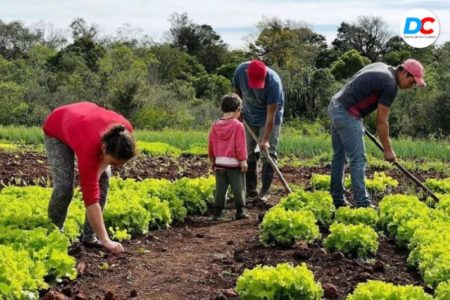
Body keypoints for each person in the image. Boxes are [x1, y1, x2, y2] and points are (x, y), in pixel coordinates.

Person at [328, 59, 426, 208]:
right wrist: (388, 150)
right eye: (412, 82)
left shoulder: (382, 66)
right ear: (404, 72)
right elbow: (381, 121)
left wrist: (356, 116)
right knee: (358, 160)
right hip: (347, 113)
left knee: (340, 157)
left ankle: (338, 199)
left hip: (336, 106)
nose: (411, 86)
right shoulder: (390, 85)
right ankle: (363, 203)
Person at [43, 101, 137, 255]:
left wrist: (101, 170)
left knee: (104, 178)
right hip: (56, 128)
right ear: (104, 148)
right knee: (64, 187)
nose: (116, 167)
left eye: (120, 164)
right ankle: (54, 233)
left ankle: (90, 236)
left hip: (81, 122)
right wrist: (107, 240)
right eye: (113, 162)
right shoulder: (89, 147)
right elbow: (91, 200)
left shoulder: (124, 133)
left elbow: (101, 171)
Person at [232, 59, 285, 202]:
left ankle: (265, 192)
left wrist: (265, 140)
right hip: (248, 115)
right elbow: (236, 92)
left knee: (268, 153)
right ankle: (251, 190)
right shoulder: (240, 71)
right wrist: (238, 109)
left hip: (269, 118)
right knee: (246, 151)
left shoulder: (274, 83)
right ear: (247, 73)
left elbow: (271, 115)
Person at [208, 93, 249, 220]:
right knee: (239, 188)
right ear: (238, 110)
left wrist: (212, 160)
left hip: (220, 163)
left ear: (222, 109)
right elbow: (240, 145)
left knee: (220, 189)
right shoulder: (238, 125)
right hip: (234, 164)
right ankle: (240, 211)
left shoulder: (215, 125)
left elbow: (211, 143)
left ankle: (217, 213)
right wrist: (243, 161)